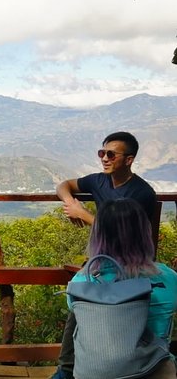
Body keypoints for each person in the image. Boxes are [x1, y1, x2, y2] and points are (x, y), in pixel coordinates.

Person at [52, 131, 158, 379]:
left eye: (111, 154)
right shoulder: (99, 181)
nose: (105, 158)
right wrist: (70, 202)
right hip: (103, 262)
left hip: (130, 263)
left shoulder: (141, 193)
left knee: (82, 298)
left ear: (129, 159)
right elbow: (64, 185)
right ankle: (67, 368)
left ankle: (69, 371)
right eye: (102, 153)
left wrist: (84, 214)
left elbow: (127, 234)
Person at [67, 198, 177, 378]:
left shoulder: (81, 282)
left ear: (97, 235)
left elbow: (74, 308)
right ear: (144, 233)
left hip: (96, 372)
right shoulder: (168, 279)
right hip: (155, 370)